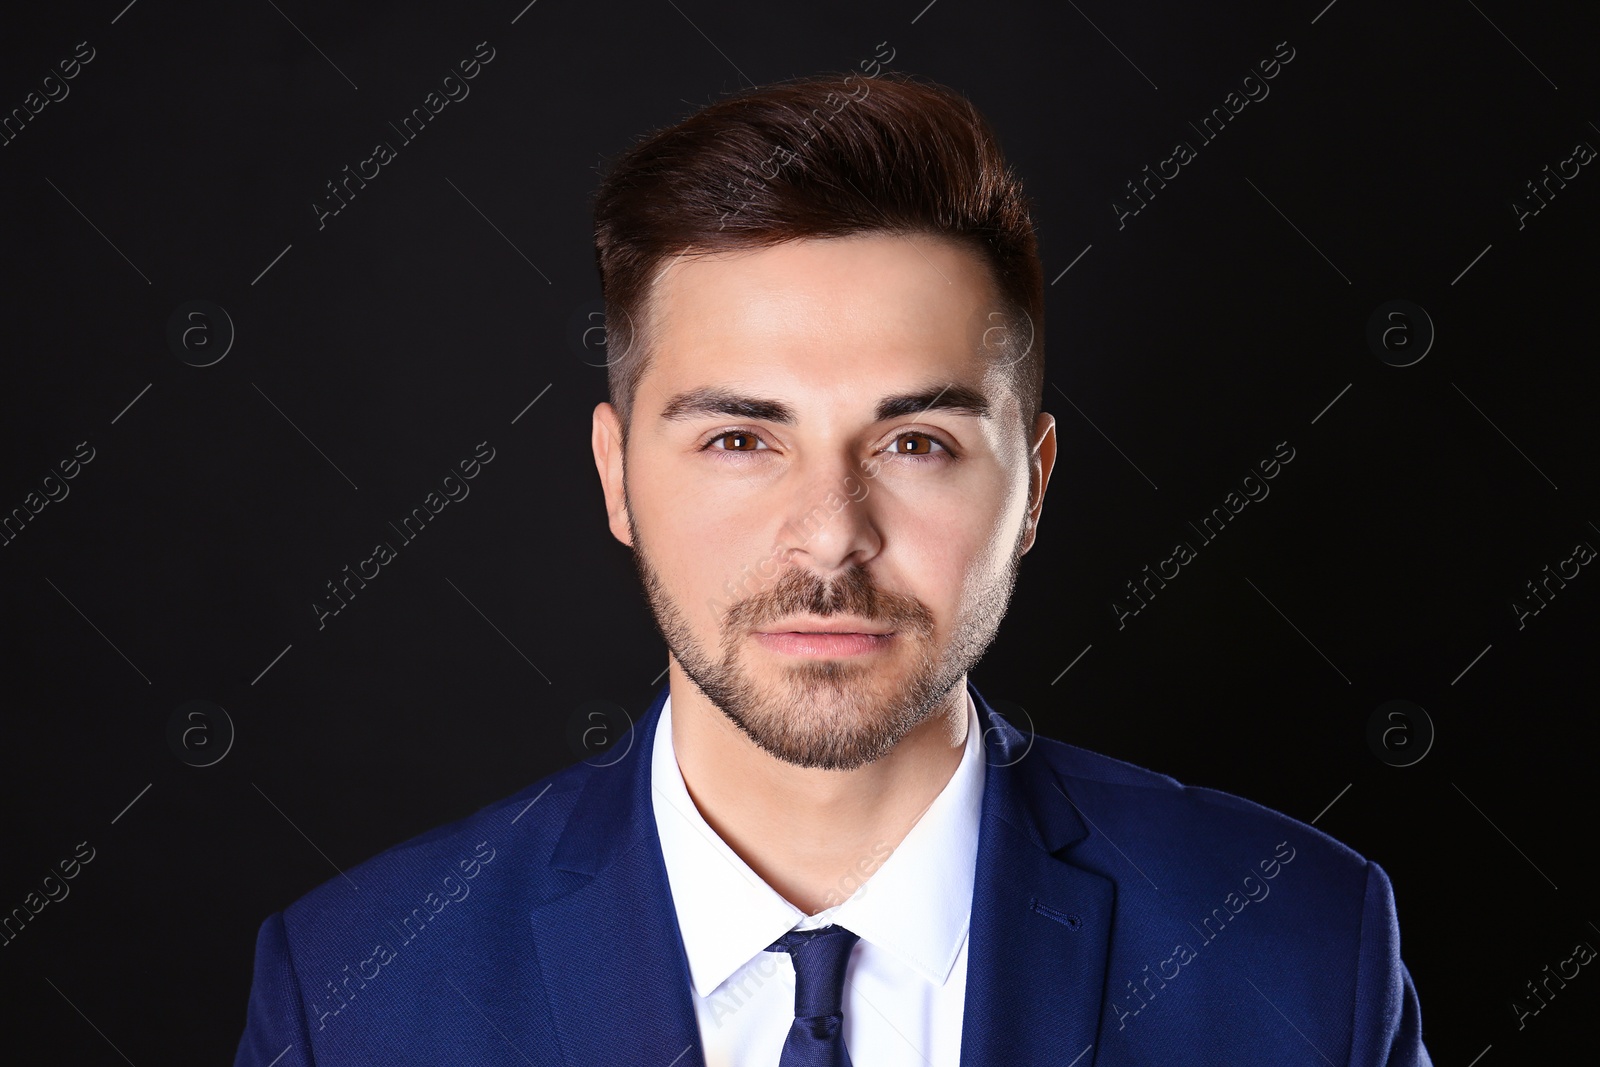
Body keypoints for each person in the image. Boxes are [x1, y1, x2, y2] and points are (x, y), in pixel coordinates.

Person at [233, 72, 1431, 1066]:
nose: (828, 534)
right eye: (742, 439)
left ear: (1034, 483)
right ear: (615, 478)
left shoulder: (1299, 950)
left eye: (916, 442)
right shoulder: (353, 997)